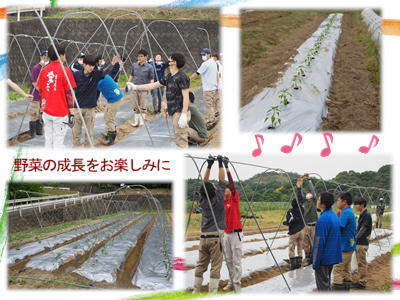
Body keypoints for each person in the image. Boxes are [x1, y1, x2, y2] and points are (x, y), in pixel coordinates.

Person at [127, 53, 190, 148]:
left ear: (174, 62)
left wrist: (184, 114)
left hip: (180, 111)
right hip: (173, 111)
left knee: (181, 137)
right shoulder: (169, 76)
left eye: (169, 60)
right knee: (177, 135)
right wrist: (136, 87)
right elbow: (153, 85)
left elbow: (186, 96)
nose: (167, 62)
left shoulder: (182, 77)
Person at [192, 155, 226, 293]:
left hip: (203, 237)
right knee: (216, 266)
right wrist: (220, 163)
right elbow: (222, 180)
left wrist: (209, 165)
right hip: (216, 237)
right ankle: (212, 292)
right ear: (214, 190)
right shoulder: (219, 198)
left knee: (200, 264)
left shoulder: (202, 201)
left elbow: (204, 183)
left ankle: (196, 290)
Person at [72, 54, 120, 147]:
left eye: (93, 66)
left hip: (90, 109)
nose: (91, 68)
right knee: (76, 133)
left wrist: (112, 63)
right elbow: (70, 88)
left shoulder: (96, 74)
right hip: (78, 108)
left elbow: (105, 72)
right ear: (84, 64)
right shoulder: (76, 75)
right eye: (89, 65)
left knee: (89, 133)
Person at [37, 43, 76, 148]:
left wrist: (41, 109)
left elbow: (41, 92)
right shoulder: (66, 71)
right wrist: (72, 113)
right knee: (58, 143)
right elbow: (69, 93)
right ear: (61, 55)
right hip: (60, 112)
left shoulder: (44, 70)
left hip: (46, 111)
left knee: (48, 140)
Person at [312, 192, 342, 291]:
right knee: (326, 283)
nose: (317, 201)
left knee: (323, 287)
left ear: (323, 204)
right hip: (332, 256)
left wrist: (315, 262)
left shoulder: (323, 219)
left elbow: (318, 243)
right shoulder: (334, 215)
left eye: (318, 199)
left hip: (323, 259)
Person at [222, 156, 242, 292]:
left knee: (236, 261)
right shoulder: (222, 202)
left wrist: (226, 167)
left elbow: (231, 184)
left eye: (227, 189)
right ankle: (231, 281)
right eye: (224, 190)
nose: (225, 191)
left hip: (236, 233)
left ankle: (237, 284)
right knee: (228, 260)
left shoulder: (234, 199)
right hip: (226, 234)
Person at [190, 48, 219, 130]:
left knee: (209, 105)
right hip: (213, 87)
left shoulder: (205, 64)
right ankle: (213, 118)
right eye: (202, 55)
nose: (203, 56)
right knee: (212, 104)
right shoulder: (214, 62)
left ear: (209, 54)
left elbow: (197, 73)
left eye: (204, 54)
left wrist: (188, 79)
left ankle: (211, 121)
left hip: (208, 89)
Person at [332, 192, 356, 290]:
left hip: (345, 245)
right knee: (346, 268)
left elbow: (339, 227)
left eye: (338, 200)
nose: (337, 202)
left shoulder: (345, 212)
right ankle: (346, 288)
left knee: (337, 269)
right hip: (349, 244)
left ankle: (337, 290)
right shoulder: (349, 211)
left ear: (344, 202)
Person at [283, 175, 306, 270]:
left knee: (292, 247)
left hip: (294, 231)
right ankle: (299, 262)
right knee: (300, 246)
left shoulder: (291, 211)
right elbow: (300, 198)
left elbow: (290, 221)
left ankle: (293, 264)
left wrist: (286, 223)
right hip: (302, 230)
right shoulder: (302, 209)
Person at [127, 49, 154, 126]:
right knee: (135, 105)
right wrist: (128, 83)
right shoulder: (134, 65)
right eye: (138, 56)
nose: (139, 58)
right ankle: (136, 121)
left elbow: (152, 79)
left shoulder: (149, 67)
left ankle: (142, 121)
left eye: (141, 56)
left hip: (144, 89)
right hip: (135, 88)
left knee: (143, 106)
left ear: (146, 57)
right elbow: (131, 75)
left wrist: (150, 88)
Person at [98, 74, 125, 145]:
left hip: (115, 99)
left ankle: (111, 139)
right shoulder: (105, 76)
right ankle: (110, 132)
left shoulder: (99, 81)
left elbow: (96, 92)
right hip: (114, 98)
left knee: (109, 118)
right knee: (106, 116)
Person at [352, 197, 372, 289]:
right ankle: (361, 281)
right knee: (360, 262)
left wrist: (355, 238)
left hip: (362, 243)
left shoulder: (366, 215)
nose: (355, 206)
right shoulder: (362, 214)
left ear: (361, 205)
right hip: (360, 242)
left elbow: (363, 229)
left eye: (356, 204)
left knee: (362, 263)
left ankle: (362, 282)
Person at [28, 50, 48, 137]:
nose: (46, 58)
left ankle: (39, 132)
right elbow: (34, 83)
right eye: (44, 57)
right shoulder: (36, 68)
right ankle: (33, 134)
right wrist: (41, 91)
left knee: (41, 113)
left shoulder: (47, 68)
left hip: (43, 98)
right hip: (35, 96)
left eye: (47, 57)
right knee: (34, 114)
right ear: (40, 57)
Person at [302, 176, 318, 265]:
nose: (308, 194)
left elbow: (313, 192)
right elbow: (300, 194)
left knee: (313, 242)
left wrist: (309, 181)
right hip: (306, 225)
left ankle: (313, 258)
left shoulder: (314, 202)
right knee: (305, 243)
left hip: (313, 225)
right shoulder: (304, 202)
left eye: (309, 194)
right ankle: (307, 258)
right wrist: (300, 183)